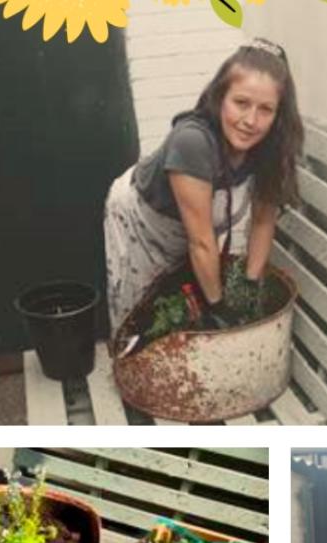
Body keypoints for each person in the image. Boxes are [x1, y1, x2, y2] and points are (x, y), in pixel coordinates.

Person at [104, 38, 302, 335]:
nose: (251, 120)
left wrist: (250, 287)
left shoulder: (271, 148)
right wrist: (217, 308)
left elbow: (263, 221)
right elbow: (201, 243)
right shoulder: (193, 143)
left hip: (188, 229)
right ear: (220, 97)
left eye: (266, 109)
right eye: (241, 103)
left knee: (187, 302)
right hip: (141, 222)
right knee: (141, 316)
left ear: (279, 115)